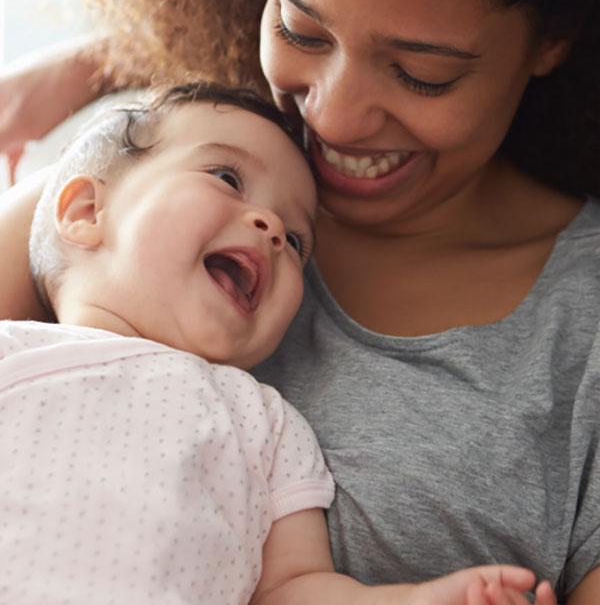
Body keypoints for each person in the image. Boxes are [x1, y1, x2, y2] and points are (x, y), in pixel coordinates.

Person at [1, 0, 599, 602]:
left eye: (422, 73)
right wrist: (104, 61)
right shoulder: (149, 181)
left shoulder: (581, 332)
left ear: (553, 36)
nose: (332, 117)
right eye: (301, 27)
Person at [0, 80, 550, 605]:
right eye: (227, 178)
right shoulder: (16, 352)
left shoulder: (266, 428)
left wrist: (421, 597)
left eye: (295, 240)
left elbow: (295, 590)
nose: (270, 228)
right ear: (86, 212)